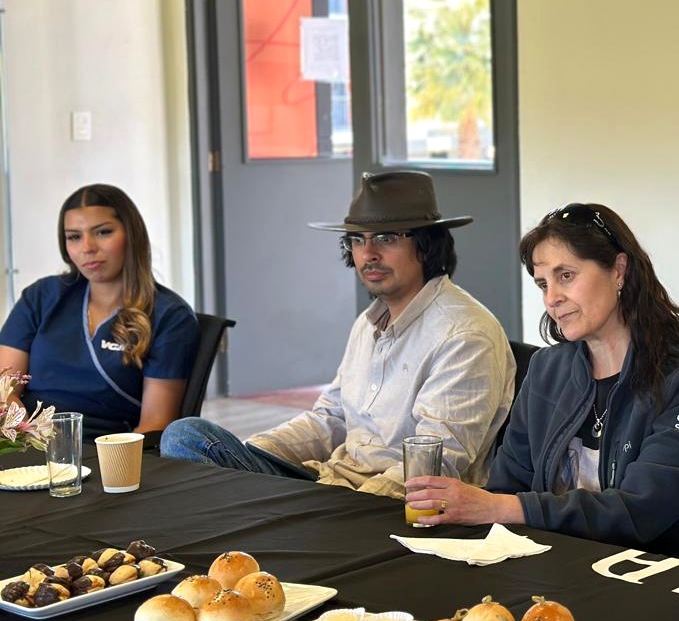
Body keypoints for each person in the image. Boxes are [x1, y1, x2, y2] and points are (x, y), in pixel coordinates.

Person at [405, 203, 679, 567]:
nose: (551, 298)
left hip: (677, 575)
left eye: (566, 276)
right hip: (565, 562)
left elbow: (639, 512)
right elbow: (509, 484)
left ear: (619, 270)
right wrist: (492, 507)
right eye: (543, 284)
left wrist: (501, 507)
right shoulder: (546, 369)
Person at [160, 171, 515, 499]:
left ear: (427, 244)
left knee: (208, 482)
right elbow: (330, 419)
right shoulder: (368, 322)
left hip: (390, 506)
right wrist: (251, 455)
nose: (368, 254)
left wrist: (341, 510)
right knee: (187, 436)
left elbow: (435, 461)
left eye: (386, 238)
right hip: (330, 486)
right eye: (357, 240)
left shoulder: (465, 333)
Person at [0, 184, 199, 438]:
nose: (88, 247)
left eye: (103, 232)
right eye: (74, 237)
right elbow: (4, 390)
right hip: (29, 441)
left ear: (132, 235)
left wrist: (85, 456)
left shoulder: (170, 316)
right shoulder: (42, 296)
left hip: (109, 449)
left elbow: (155, 424)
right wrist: (29, 437)